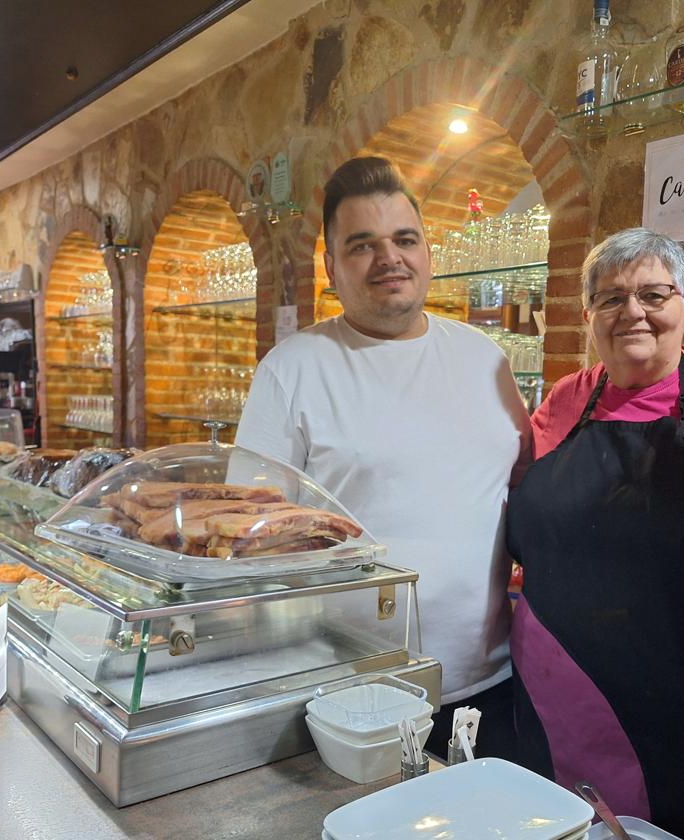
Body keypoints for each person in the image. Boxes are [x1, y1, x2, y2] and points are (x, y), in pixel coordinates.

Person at [235, 156, 530, 757]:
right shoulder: (292, 370)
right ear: (331, 267)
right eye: (362, 245)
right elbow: (252, 535)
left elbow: (519, 489)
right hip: (350, 696)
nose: (389, 258)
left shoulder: (486, 359)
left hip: (488, 686)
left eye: (404, 239)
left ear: (427, 251)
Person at [506, 228, 684, 836]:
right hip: (552, 681)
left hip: (675, 696)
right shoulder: (564, 400)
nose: (632, 311)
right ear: (588, 317)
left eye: (653, 295)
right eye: (611, 299)